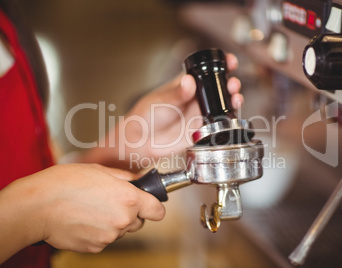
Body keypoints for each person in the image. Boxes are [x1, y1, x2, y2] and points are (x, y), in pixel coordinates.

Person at [0, 1, 243, 267]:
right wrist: (35, 214)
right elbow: (36, 205)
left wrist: (125, 149)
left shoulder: (7, 20)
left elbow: (25, 166)